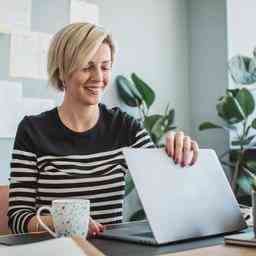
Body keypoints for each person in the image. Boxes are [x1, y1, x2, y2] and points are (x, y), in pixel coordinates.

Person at [8, 23, 199, 237]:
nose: (98, 77)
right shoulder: (32, 130)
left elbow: (166, 185)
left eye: (105, 67)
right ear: (62, 70)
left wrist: (179, 152)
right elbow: (17, 217)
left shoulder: (125, 127)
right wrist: (61, 221)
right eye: (87, 67)